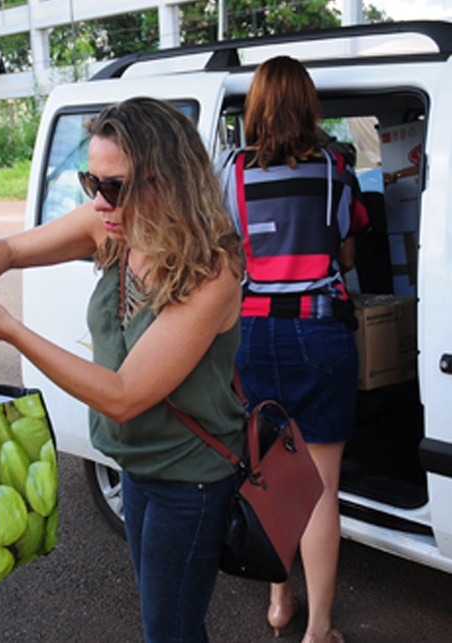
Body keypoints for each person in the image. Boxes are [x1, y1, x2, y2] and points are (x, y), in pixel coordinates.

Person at [0, 97, 247, 642]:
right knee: (165, 623)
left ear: (167, 180)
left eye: (115, 185)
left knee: (169, 631)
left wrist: (9, 329)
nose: (99, 201)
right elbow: (5, 249)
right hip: (136, 467)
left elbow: (123, 396)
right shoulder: (113, 226)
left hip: (187, 477)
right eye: (89, 181)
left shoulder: (210, 272)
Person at [217, 56, 368, 643]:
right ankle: (319, 631)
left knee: (272, 473)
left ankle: (281, 602)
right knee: (320, 486)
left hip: (254, 333)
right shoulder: (335, 168)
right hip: (318, 329)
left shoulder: (231, 172)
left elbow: (231, 255)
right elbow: (348, 254)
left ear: (254, 108)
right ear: (309, 106)